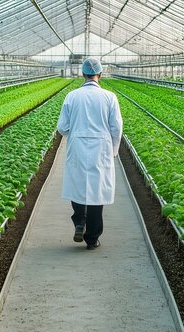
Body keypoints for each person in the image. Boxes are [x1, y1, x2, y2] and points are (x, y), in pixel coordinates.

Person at [56, 58, 123, 250]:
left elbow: (62, 127)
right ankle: (92, 239)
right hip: (101, 146)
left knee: (77, 183)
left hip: (77, 144)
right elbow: (116, 127)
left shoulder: (72, 96)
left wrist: (75, 133)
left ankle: (79, 221)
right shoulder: (109, 97)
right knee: (97, 190)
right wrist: (114, 150)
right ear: (100, 75)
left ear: (82, 74)